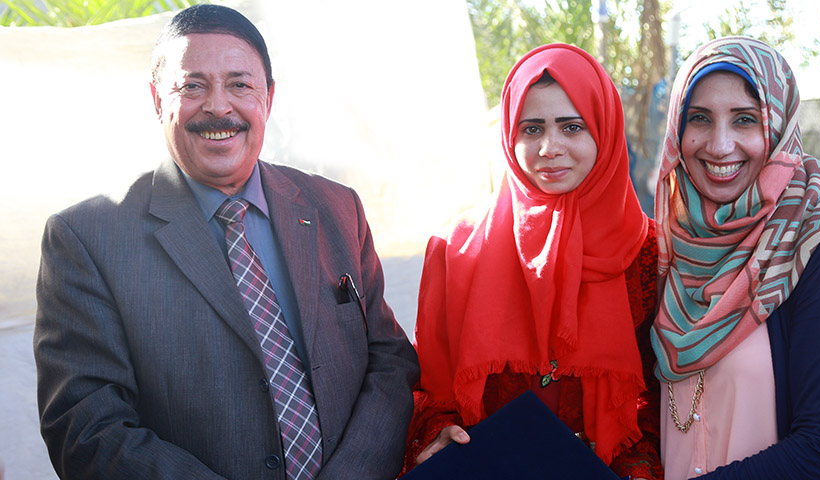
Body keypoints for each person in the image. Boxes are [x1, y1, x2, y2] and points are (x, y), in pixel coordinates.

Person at [33, 5, 418, 479]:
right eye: (192, 86)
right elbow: (87, 428)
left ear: (268, 98)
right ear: (157, 100)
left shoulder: (336, 207)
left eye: (239, 84)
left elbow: (389, 359)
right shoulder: (87, 239)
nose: (218, 106)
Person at [651, 36, 820, 479]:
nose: (719, 144)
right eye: (699, 118)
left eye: (745, 119)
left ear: (779, 125)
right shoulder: (677, 246)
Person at [403, 43, 662, 479]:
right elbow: (431, 390)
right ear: (510, 136)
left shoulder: (649, 252)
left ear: (604, 130)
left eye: (572, 127)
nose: (549, 148)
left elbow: (666, 399)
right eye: (532, 129)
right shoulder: (457, 250)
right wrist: (437, 432)